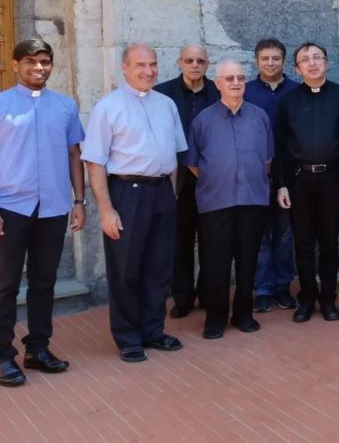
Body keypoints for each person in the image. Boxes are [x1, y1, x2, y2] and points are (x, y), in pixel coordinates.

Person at [82, 44, 188, 362]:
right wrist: (105, 209)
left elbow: (175, 156)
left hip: (161, 192)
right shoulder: (107, 107)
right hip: (126, 193)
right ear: (124, 68)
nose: (148, 71)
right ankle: (128, 336)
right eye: (140, 65)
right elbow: (95, 162)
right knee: (126, 268)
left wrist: (170, 195)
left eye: (153, 64)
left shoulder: (167, 104)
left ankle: (153, 330)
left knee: (159, 267)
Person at [0, 39, 85, 387]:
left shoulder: (65, 107)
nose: (39, 68)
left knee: (44, 282)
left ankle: (38, 348)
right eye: (32, 61)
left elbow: (74, 156)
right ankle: (3, 356)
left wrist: (80, 202)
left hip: (53, 207)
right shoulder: (2, 104)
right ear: (17, 64)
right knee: (5, 284)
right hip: (10, 207)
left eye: (45, 62)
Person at [185, 60, 273, 339]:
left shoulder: (260, 117)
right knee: (215, 263)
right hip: (216, 202)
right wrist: (218, 178)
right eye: (229, 78)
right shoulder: (202, 121)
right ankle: (215, 318)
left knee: (248, 261)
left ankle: (244, 314)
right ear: (217, 83)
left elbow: (267, 160)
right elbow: (193, 164)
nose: (236, 82)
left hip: (252, 200)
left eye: (240, 78)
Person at [273, 43, 339, 323]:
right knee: (302, 243)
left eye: (317, 58)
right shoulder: (288, 101)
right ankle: (306, 299)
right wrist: (280, 184)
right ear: (297, 68)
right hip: (298, 181)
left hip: (331, 179)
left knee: (329, 243)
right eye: (305, 59)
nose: (312, 63)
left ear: (326, 62)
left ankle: (328, 299)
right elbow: (279, 146)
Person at [153, 44, 220, 319]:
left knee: (211, 240)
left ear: (207, 64)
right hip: (177, 181)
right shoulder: (162, 94)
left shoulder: (218, 91)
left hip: (212, 179)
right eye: (189, 60)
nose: (195, 65)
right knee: (179, 242)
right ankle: (182, 297)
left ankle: (207, 293)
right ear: (180, 63)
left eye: (200, 61)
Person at [244, 39, 299, 313]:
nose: (270, 63)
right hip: (255, 174)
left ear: (284, 60)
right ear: (256, 61)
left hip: (289, 175)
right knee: (260, 235)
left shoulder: (296, 91)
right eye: (265, 58)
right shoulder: (246, 92)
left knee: (285, 234)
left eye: (275, 58)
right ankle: (263, 289)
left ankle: (283, 287)